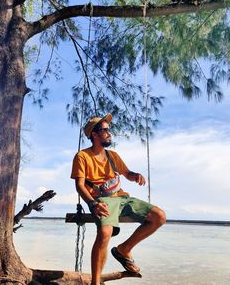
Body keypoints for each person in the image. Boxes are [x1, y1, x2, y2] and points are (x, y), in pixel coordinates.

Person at [71, 113, 166, 285]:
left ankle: (124, 249)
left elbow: (127, 173)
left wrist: (135, 175)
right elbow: (80, 185)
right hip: (102, 200)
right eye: (105, 130)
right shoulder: (82, 157)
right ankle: (95, 282)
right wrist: (92, 204)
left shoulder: (112, 155)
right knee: (105, 233)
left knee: (159, 217)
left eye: (109, 129)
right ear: (94, 134)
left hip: (122, 198)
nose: (109, 133)